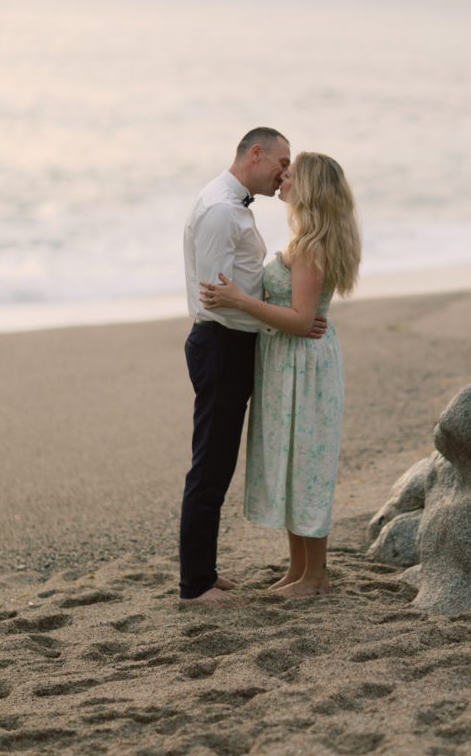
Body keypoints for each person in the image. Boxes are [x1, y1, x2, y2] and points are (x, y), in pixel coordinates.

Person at [200, 151, 361, 596]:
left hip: (303, 365)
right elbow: (301, 316)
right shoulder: (306, 238)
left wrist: (238, 300)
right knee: (294, 462)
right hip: (290, 361)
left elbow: (300, 318)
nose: (283, 177)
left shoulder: (311, 246)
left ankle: (317, 577)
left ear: (308, 188)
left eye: (292, 173)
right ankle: (298, 569)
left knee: (307, 465)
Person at [179, 128, 325, 606]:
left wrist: (284, 308)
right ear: (255, 153)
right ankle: (196, 584)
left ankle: (204, 571)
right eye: (281, 161)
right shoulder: (223, 210)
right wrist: (288, 318)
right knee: (211, 466)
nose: (285, 172)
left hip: (233, 344)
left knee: (217, 463)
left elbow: (234, 291)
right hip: (222, 345)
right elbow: (218, 300)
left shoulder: (226, 201)